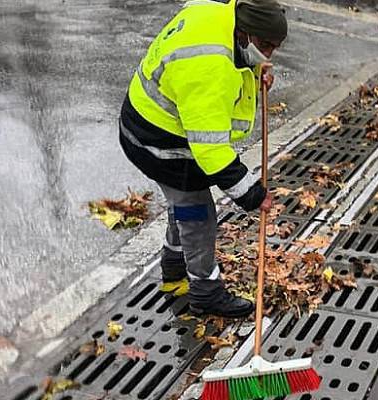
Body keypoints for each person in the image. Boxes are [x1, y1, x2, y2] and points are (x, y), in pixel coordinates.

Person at [118, 0, 287, 318]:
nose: (269, 55)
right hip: (157, 141)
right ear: (245, 33)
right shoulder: (210, 66)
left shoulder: (220, 16)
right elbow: (210, 150)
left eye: (274, 48)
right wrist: (253, 194)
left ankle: (174, 267)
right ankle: (206, 294)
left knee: (183, 202)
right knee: (198, 213)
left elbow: (239, 58)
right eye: (265, 47)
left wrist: (256, 67)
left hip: (147, 121)